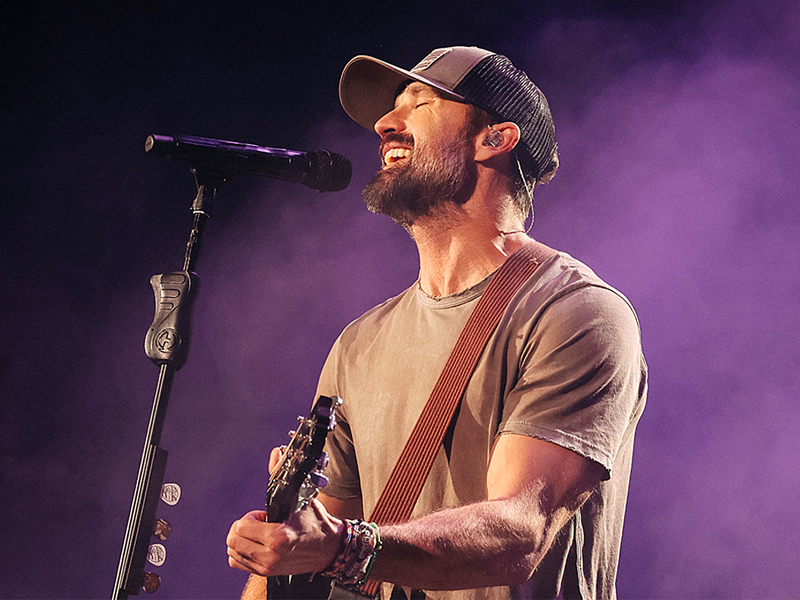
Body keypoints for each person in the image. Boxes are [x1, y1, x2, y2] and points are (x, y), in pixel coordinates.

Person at [226, 46, 647, 600]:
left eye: (419, 104)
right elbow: (314, 540)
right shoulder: (360, 344)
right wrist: (283, 547)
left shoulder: (573, 313)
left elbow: (522, 531)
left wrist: (347, 547)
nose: (384, 124)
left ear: (494, 138)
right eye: (391, 110)